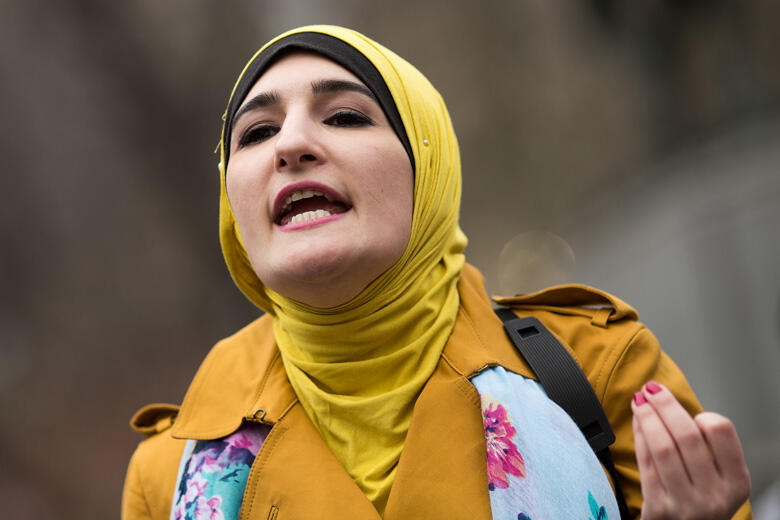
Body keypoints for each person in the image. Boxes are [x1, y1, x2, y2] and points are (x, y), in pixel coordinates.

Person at [121, 25, 752, 519]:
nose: (290, 145)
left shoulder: (599, 369)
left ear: (428, 166)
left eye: (344, 116)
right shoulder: (168, 472)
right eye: (256, 132)